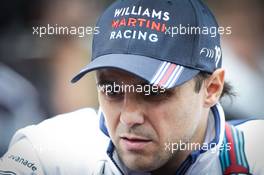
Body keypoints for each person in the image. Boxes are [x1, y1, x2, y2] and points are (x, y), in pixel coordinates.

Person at [0, 0, 263, 174]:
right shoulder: (49, 152)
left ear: (211, 88)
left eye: (154, 92)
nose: (129, 117)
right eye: (112, 90)